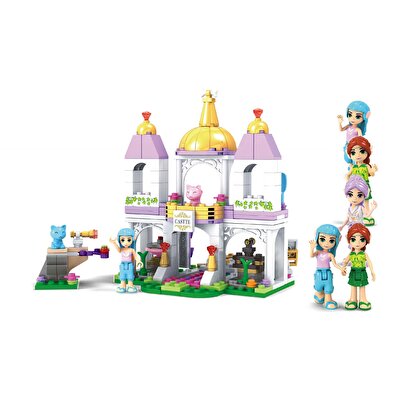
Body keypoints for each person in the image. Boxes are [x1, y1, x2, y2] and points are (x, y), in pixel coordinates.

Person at [309, 224, 346, 310]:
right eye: (322, 239)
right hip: (318, 272)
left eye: (331, 240)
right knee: (318, 286)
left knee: (328, 286)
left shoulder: (330, 255)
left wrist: (341, 268)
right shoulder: (318, 252)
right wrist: (311, 248)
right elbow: (311, 255)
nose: (326, 243)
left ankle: (328, 300)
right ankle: (319, 295)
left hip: (327, 272)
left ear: (336, 241)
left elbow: (335, 264)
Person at [342, 223, 375, 310]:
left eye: (361, 239)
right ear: (349, 240)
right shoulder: (351, 254)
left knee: (362, 285)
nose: (357, 242)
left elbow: (370, 263)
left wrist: (372, 272)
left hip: (362, 271)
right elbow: (345, 261)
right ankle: (353, 299)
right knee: (353, 286)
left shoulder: (364, 254)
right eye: (353, 239)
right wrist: (343, 268)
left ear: (366, 240)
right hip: (353, 271)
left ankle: (363, 300)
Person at [346, 136, 378, 225]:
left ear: (367, 152)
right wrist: (348, 181)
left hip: (365, 185)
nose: (358, 155)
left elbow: (371, 173)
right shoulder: (353, 167)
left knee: (366, 200)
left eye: (362, 151)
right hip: (355, 186)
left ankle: (367, 214)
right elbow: (348, 175)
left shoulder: (366, 166)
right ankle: (355, 215)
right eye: (353, 152)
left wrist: (374, 169)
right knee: (355, 199)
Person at [110, 228, 143, 293]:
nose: (125, 242)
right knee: (122, 276)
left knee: (130, 275)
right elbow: (118, 249)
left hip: (129, 265)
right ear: (119, 240)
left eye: (128, 240)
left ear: (132, 239)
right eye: (123, 240)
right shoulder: (121, 249)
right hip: (122, 265)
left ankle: (130, 286)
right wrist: (114, 243)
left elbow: (135, 256)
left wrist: (138, 261)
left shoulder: (131, 250)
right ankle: (123, 286)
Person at [337, 101, 370, 165]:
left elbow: (360, 139)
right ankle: (351, 167)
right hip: (347, 144)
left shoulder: (358, 129)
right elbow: (341, 129)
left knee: (355, 158)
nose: (352, 118)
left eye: (357, 116)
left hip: (355, 146)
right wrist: (340, 123)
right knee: (347, 158)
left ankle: (356, 167)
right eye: (350, 115)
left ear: (364, 118)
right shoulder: (348, 126)